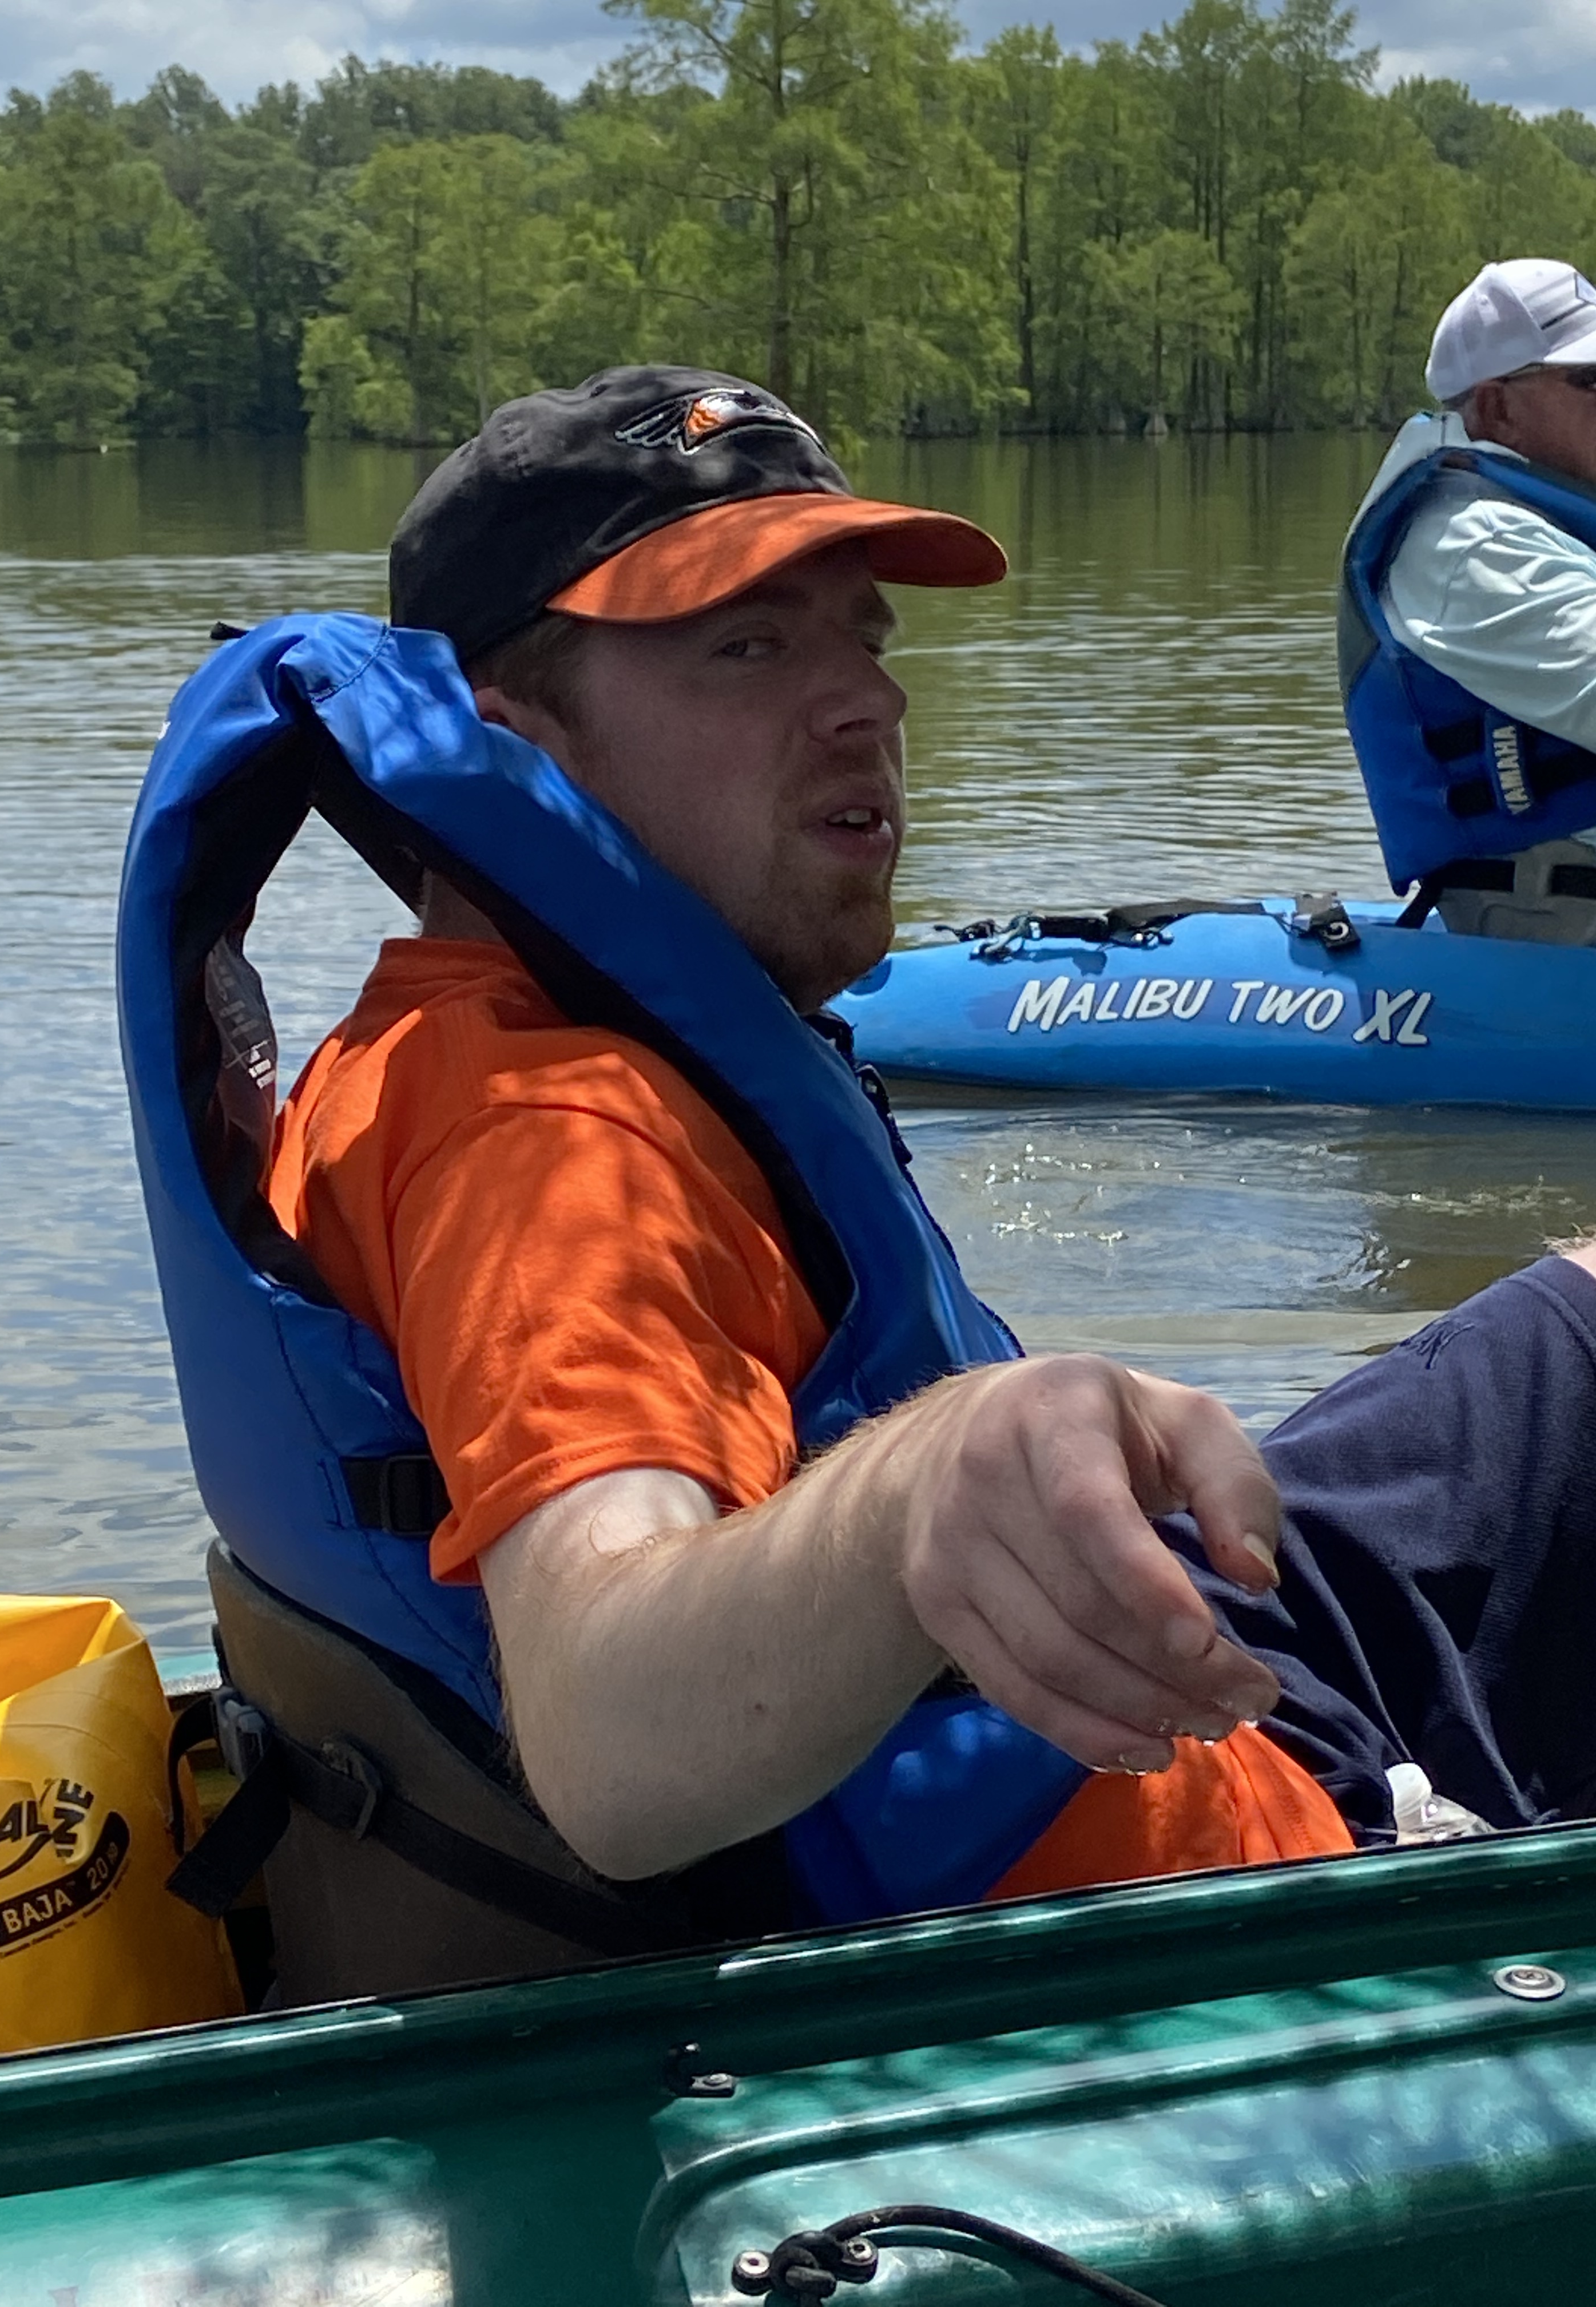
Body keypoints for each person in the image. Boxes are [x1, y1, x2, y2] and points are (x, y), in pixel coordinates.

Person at [185, 362, 1596, 2001]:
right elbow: (609, 1734)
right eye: (749, 646)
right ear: (515, 752)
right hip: (1236, 1846)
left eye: (863, 634)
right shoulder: (558, 1138)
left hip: (1116, 1687)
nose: (868, 701)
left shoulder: (464, 1033)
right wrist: (926, 1478)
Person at [1342, 258, 1596, 942]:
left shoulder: (1550, 515)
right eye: (1593, 381)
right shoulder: (1469, 543)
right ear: (1497, 407)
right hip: (1554, 928)